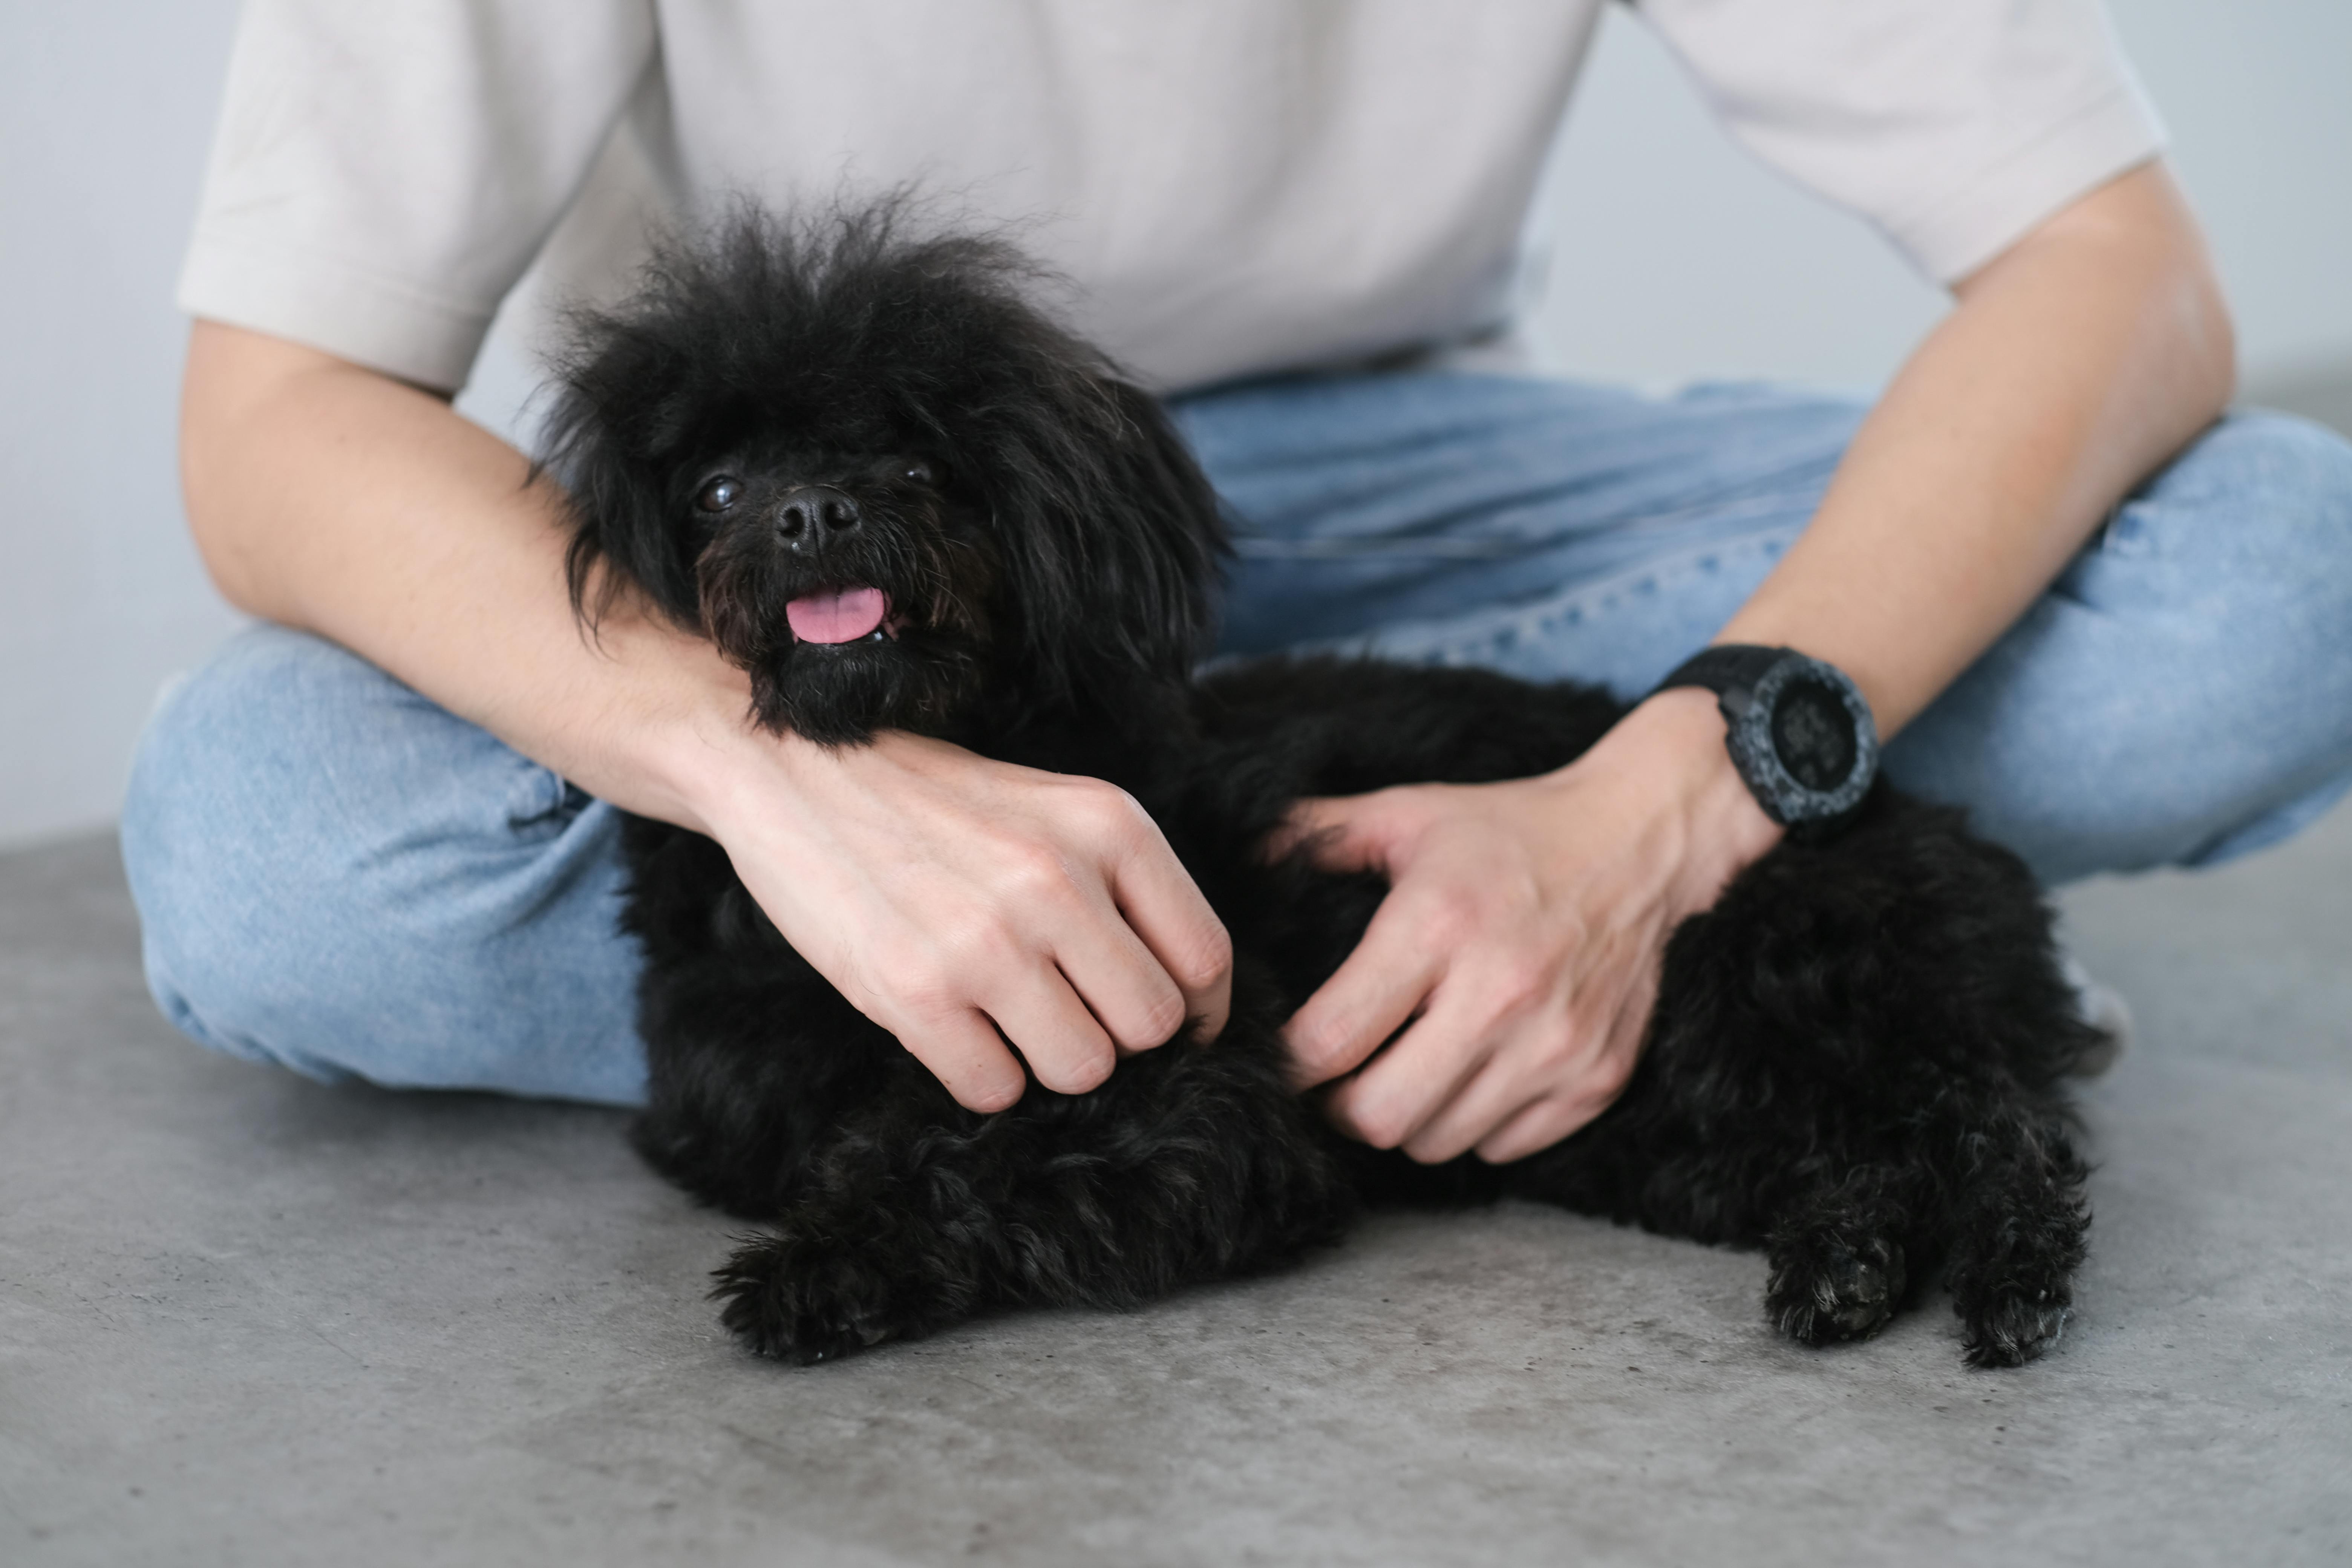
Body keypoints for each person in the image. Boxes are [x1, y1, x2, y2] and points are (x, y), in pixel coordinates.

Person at [126, 1, 2352, 1165]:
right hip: (810, 595)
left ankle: (1125, 989)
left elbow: (2112, 264)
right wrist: (783, 792)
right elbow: (279, 411)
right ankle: (1410, 982)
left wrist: (1674, 793)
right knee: (268, 844)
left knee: (2275, 574)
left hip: (1410, 472)